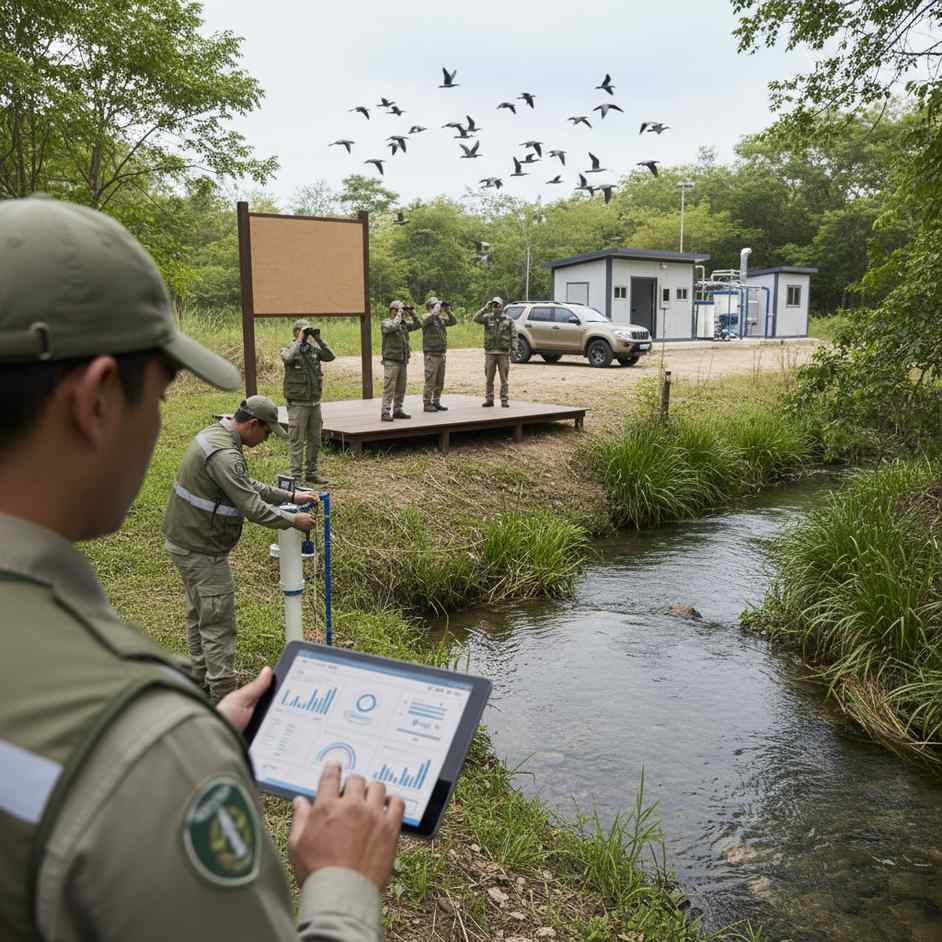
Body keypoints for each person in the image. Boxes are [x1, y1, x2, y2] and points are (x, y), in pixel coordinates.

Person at [0, 195, 403, 942]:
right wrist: (343, 887)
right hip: (200, 572)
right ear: (93, 403)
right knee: (209, 621)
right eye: (154, 396)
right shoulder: (145, 751)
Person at [163, 395, 317, 703]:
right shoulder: (225, 456)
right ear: (252, 424)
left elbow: (246, 486)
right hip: (202, 550)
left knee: (199, 615)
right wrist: (294, 520)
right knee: (218, 624)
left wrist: (292, 495)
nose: (265, 439)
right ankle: (224, 700)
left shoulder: (215, 436)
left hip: (184, 541)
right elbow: (253, 507)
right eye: (267, 432)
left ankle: (200, 685)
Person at [281, 320, 335, 485]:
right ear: (296, 332)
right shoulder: (288, 349)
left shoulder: (313, 350)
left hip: (314, 403)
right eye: (303, 331)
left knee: (315, 440)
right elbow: (288, 358)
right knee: (297, 441)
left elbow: (330, 356)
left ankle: (311, 473)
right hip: (298, 404)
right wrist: (300, 339)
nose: (306, 335)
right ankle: (296, 477)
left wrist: (318, 338)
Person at [379, 300, 421, 422]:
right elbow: (392, 327)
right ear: (392, 311)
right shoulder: (386, 323)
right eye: (398, 310)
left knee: (401, 387)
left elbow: (418, 324)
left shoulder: (403, 324)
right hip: (391, 360)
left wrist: (412, 312)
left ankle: (397, 409)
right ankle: (385, 411)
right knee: (389, 387)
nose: (401, 313)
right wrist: (399, 314)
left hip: (402, 360)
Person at [473, 296, 516, 407]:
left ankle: (504, 400)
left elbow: (514, 336)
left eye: (498, 305)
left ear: (502, 306)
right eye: (494, 305)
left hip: (503, 353)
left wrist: (514, 349)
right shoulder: (487, 318)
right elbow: (475, 318)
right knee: (489, 378)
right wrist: (485, 308)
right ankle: (489, 399)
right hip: (490, 353)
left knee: (504, 379)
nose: (496, 307)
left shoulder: (508, 320)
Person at [421, 297, 457, 412]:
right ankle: (427, 403)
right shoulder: (426, 317)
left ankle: (436, 401)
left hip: (441, 354)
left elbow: (453, 321)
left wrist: (448, 310)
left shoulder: (440, 319)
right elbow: (431, 316)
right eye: (434, 306)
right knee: (430, 381)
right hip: (431, 355)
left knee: (439, 381)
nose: (438, 308)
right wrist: (437, 306)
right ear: (429, 307)